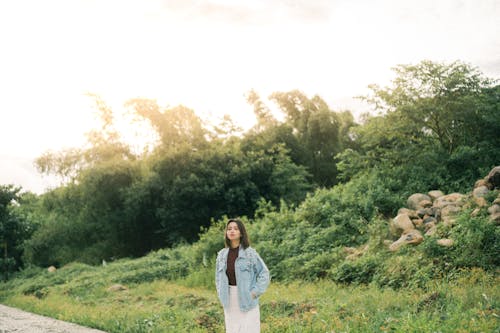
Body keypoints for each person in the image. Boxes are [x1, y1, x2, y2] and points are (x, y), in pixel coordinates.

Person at [215, 218, 270, 333]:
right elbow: (218, 278)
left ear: (241, 233)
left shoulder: (250, 253)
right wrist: (220, 293)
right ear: (226, 233)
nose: (232, 231)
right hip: (229, 300)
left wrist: (255, 292)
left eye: (235, 228)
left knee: (249, 329)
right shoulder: (222, 255)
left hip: (248, 299)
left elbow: (264, 273)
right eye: (229, 229)